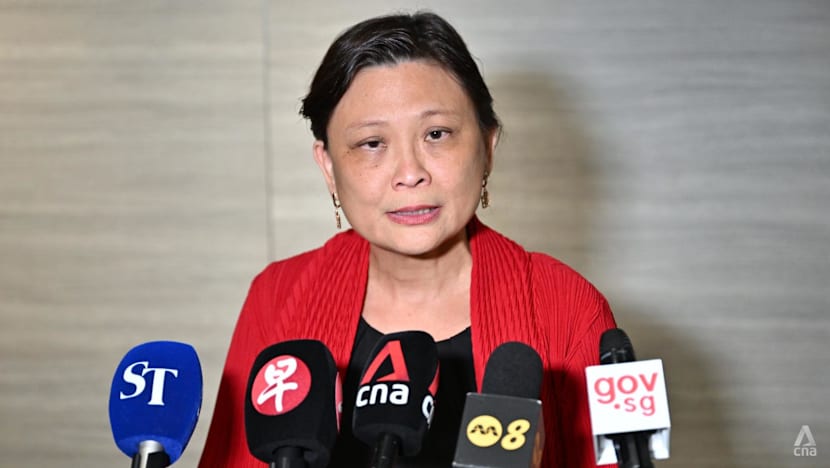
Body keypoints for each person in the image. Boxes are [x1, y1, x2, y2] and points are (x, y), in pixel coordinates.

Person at [198, 11, 617, 468]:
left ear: (487, 147)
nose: (410, 173)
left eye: (436, 134)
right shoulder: (277, 296)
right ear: (328, 166)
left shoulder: (567, 306)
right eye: (372, 143)